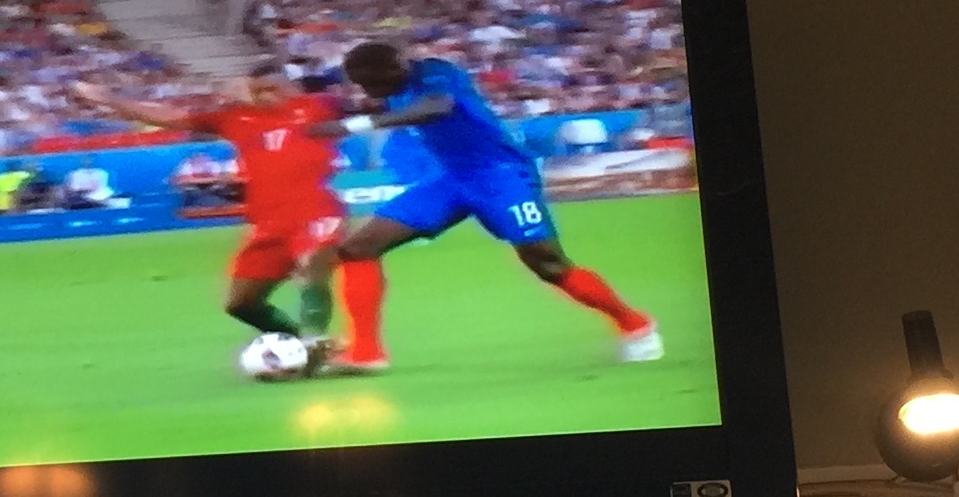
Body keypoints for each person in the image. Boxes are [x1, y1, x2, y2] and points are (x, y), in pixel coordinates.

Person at [317, 41, 660, 372]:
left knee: (549, 264)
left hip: (501, 175)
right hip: (451, 178)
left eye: (370, 85)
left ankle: (636, 325)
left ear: (393, 71)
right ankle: (366, 353)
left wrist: (354, 125)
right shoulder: (394, 88)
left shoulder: (436, 73)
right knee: (358, 248)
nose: (367, 92)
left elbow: (437, 107)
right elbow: (395, 108)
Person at [76, 64, 345, 366]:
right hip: (268, 223)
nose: (266, 96)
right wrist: (108, 99)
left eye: (273, 88)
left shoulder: (317, 107)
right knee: (240, 304)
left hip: (316, 210)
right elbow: (170, 117)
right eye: (258, 91)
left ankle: (314, 345)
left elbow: (369, 100)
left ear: (291, 86)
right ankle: (306, 347)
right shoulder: (235, 118)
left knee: (312, 265)